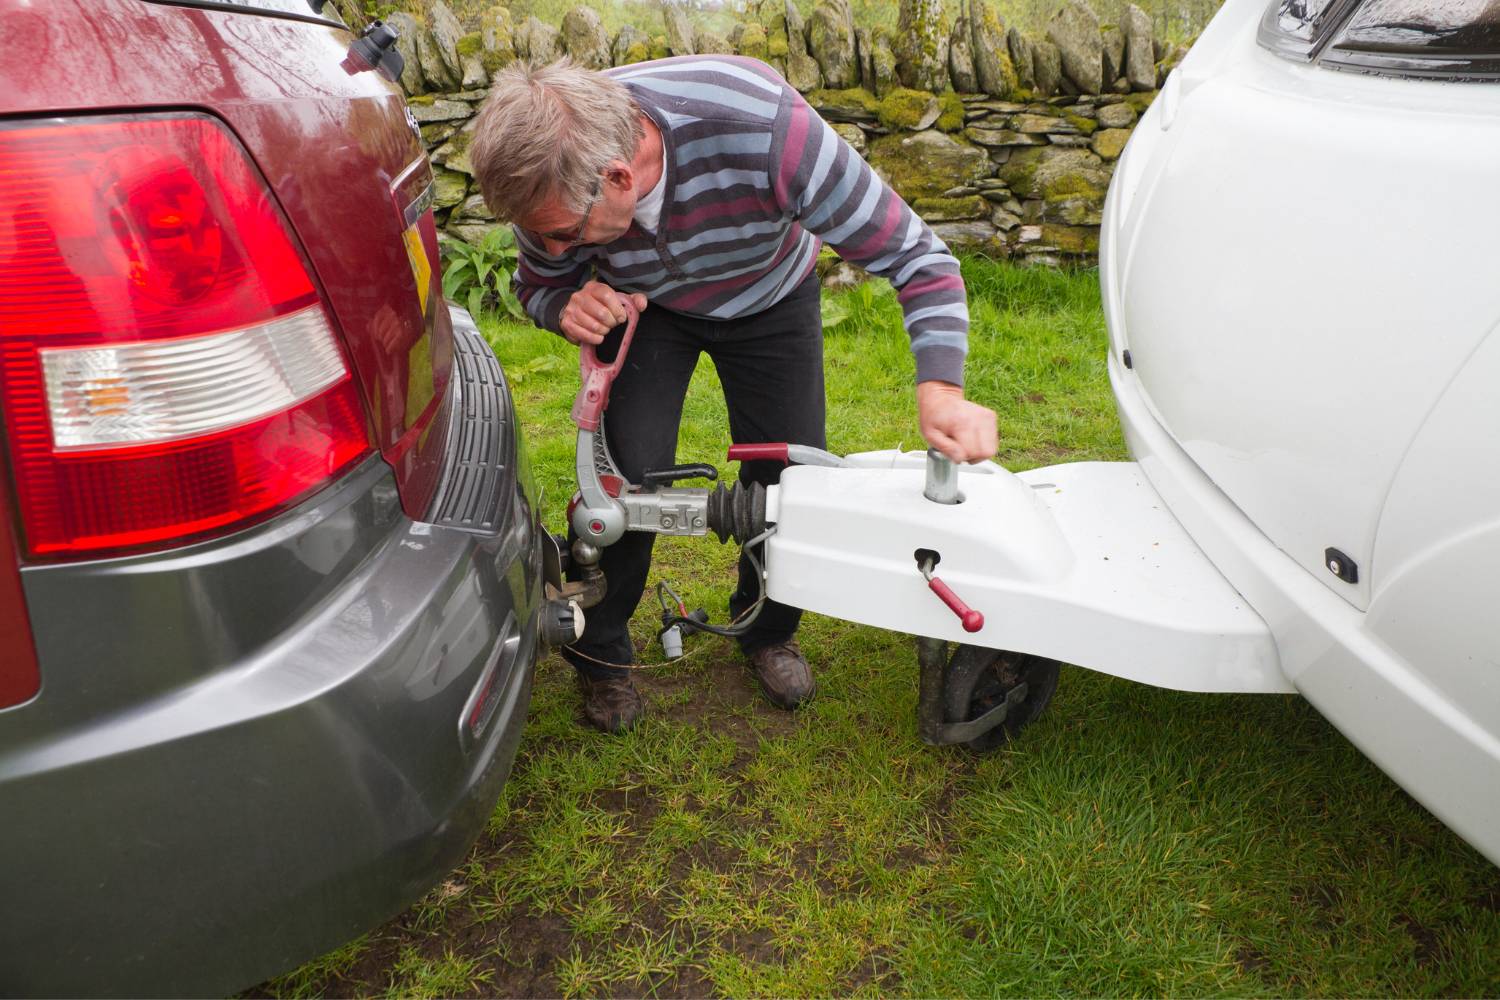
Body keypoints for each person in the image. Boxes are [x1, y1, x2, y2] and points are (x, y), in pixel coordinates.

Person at [469, 55, 998, 734]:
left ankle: (768, 631)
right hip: (648, 311)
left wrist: (942, 389)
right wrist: (564, 302)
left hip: (769, 295)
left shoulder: (764, 131)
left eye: (565, 233)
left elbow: (917, 257)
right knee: (620, 486)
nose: (550, 243)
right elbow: (539, 283)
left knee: (790, 478)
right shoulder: (550, 168)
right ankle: (601, 658)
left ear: (620, 178)